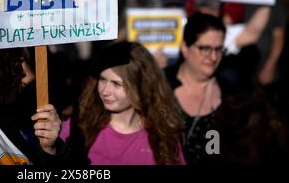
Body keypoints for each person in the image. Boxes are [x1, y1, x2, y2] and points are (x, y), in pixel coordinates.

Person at [60, 41, 185, 165]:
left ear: (140, 86)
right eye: (103, 80)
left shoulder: (162, 136)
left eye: (116, 84)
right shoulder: (79, 127)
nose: (105, 91)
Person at [164, 12, 229, 164]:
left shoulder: (230, 93)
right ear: (185, 48)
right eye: (205, 49)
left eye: (218, 49)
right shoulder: (160, 86)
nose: (213, 57)